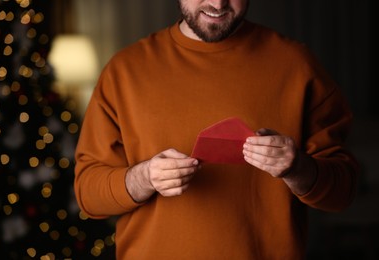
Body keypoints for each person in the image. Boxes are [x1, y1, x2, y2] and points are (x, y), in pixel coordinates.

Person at [74, 0, 359, 259]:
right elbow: (88, 195)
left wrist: (297, 168)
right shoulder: (124, 71)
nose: (217, 3)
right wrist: (143, 178)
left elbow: (343, 193)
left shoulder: (298, 66)